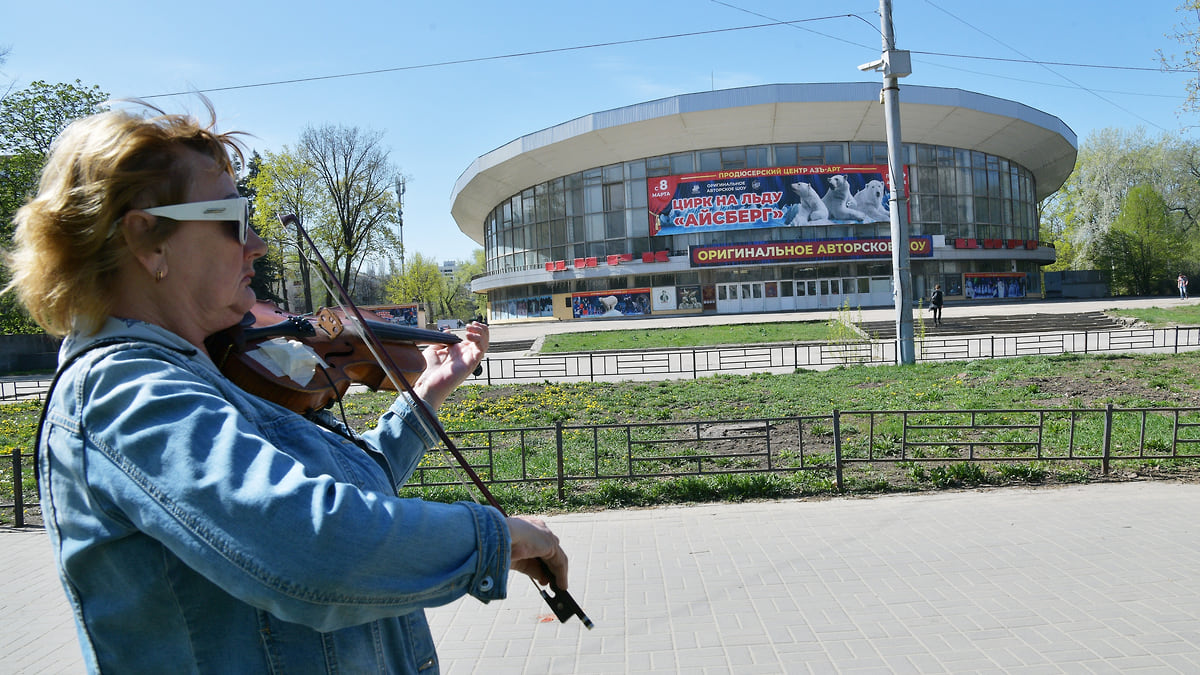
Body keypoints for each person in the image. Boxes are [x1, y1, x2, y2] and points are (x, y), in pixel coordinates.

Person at [4, 101, 569, 673]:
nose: (258, 245)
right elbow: (316, 547)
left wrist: (431, 388)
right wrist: (497, 537)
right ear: (148, 240)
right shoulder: (127, 392)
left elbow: (346, 487)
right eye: (232, 219)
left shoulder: (208, 372)